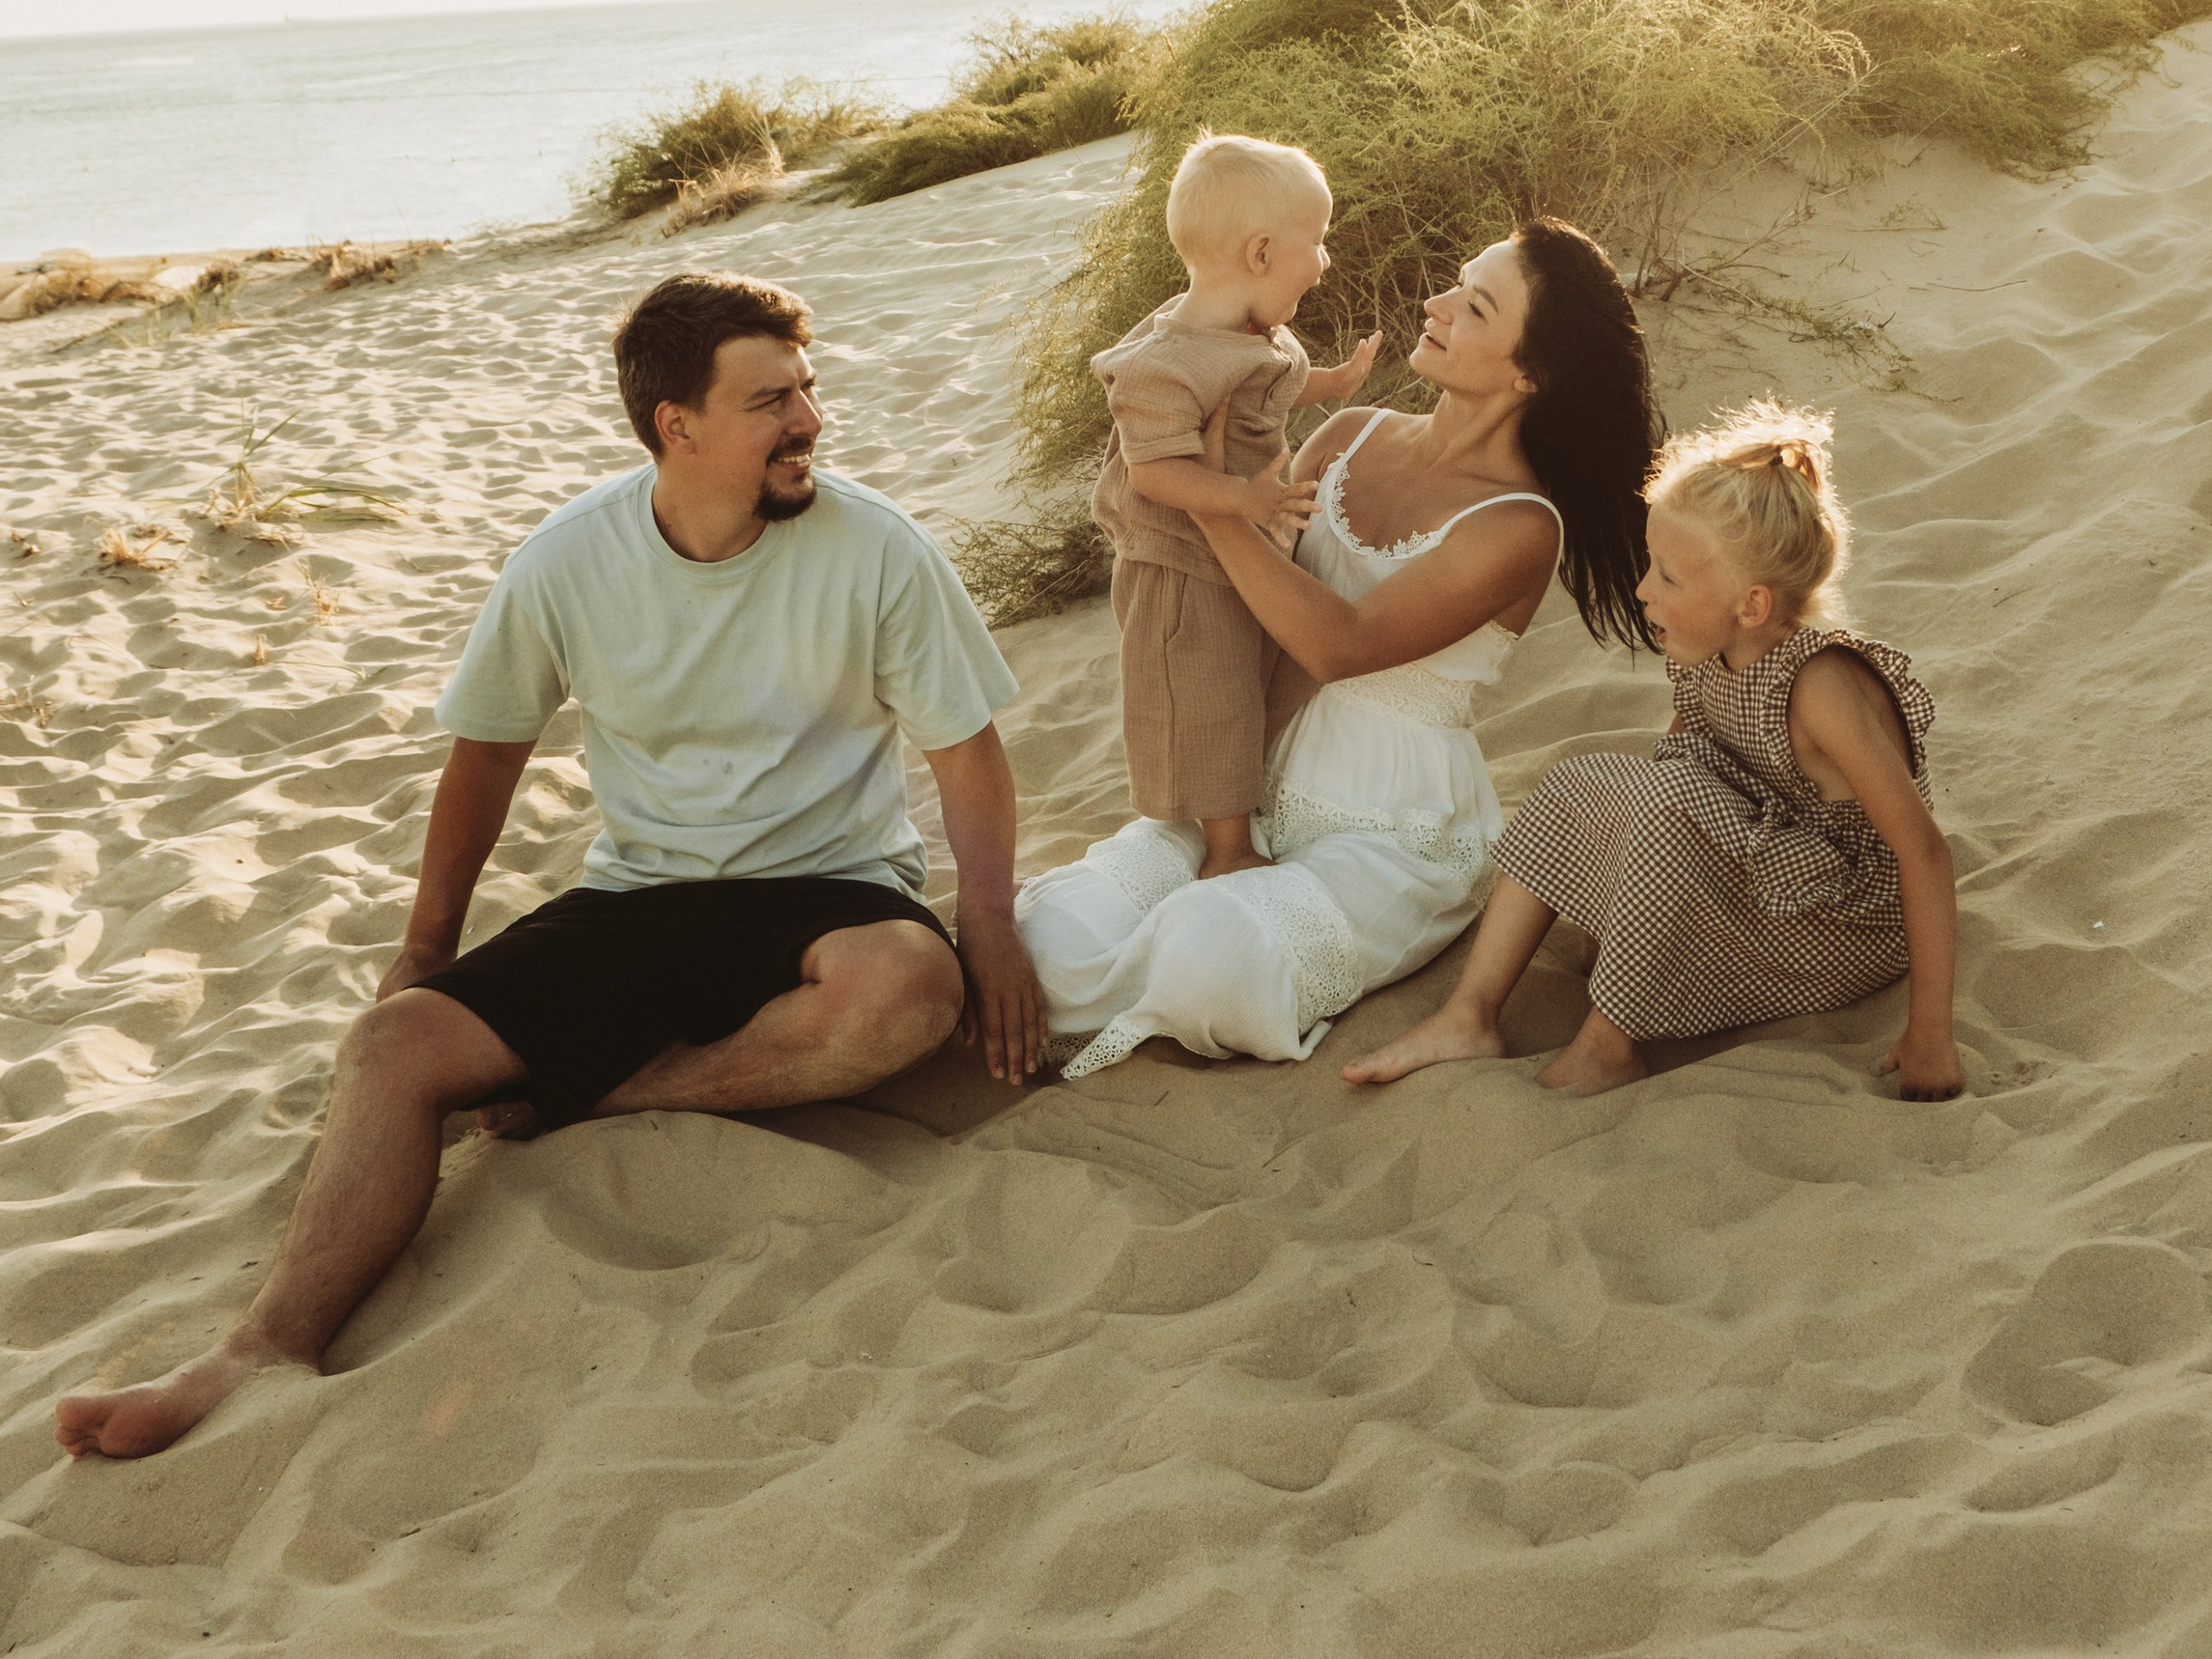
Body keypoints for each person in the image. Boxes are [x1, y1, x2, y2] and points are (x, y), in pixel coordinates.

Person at [55, 270, 1045, 1464]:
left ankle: (606, 1091)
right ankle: (262, 1346)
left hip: (830, 893)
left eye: (807, 388)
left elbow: (966, 753)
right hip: (640, 898)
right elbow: (485, 760)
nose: (809, 422)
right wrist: (426, 948)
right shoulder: (567, 560)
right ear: (676, 426)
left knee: (909, 992)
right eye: (771, 400)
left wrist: (984, 918)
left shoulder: (877, 547)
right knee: (392, 1048)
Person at [1020, 218, 1656, 1078]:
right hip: (1246, 776)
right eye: (1453, 283)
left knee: (1213, 956)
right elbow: (1237, 587)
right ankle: (1147, 965)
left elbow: (1337, 644)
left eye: (1472, 306)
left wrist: (1211, 497)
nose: (1433, 305)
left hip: (1392, 825)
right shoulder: (1349, 431)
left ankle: (1176, 971)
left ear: (1529, 373)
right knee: (1050, 935)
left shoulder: (1516, 524)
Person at [1347, 398, 1961, 1101]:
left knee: (1669, 797)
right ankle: (1469, 1014)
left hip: (1840, 923)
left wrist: (1930, 1035)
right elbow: (1671, 777)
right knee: (1583, 779)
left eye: (1668, 576)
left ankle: (1608, 1047)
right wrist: (1620, 905)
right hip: (1760, 869)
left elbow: (1924, 851)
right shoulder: (1711, 651)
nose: (1642, 591)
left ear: (1752, 605)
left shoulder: (1820, 687)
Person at [1090, 130, 1377, 877]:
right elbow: (1155, 472)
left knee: (1251, 678)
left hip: (1237, 545)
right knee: (1209, 693)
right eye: (1315, 243)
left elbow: (1267, 379)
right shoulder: (1164, 363)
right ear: (1259, 254)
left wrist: (1333, 383)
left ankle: (1247, 801)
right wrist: (1242, 498)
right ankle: (1226, 850)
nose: (1323, 262)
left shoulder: (1249, 331)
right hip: (1178, 564)